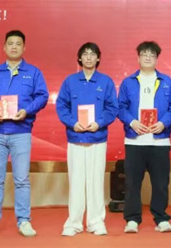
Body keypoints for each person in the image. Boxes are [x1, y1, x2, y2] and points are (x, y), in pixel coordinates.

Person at [0, 30, 49, 238]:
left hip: (21, 132)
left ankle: (24, 220)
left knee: (21, 179)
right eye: (10, 43)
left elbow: (42, 96)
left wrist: (27, 110)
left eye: (18, 43)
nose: (14, 47)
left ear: (24, 48)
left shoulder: (33, 73)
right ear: (4, 47)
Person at [56, 42, 118, 236]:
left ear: (98, 58)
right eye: (85, 54)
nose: (89, 57)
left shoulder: (105, 82)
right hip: (75, 138)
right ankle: (73, 223)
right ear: (79, 58)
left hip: (97, 138)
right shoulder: (70, 81)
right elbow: (61, 106)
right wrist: (72, 123)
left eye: (92, 54)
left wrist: (99, 123)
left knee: (95, 181)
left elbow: (112, 108)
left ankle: (96, 222)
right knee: (76, 181)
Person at [118, 41, 171, 234]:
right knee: (132, 183)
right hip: (134, 140)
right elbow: (120, 107)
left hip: (160, 140)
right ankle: (132, 219)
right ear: (138, 58)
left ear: (157, 59)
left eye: (152, 55)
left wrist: (164, 123)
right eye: (144, 54)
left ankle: (161, 218)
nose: (148, 58)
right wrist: (132, 122)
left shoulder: (167, 81)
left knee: (160, 183)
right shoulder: (128, 82)